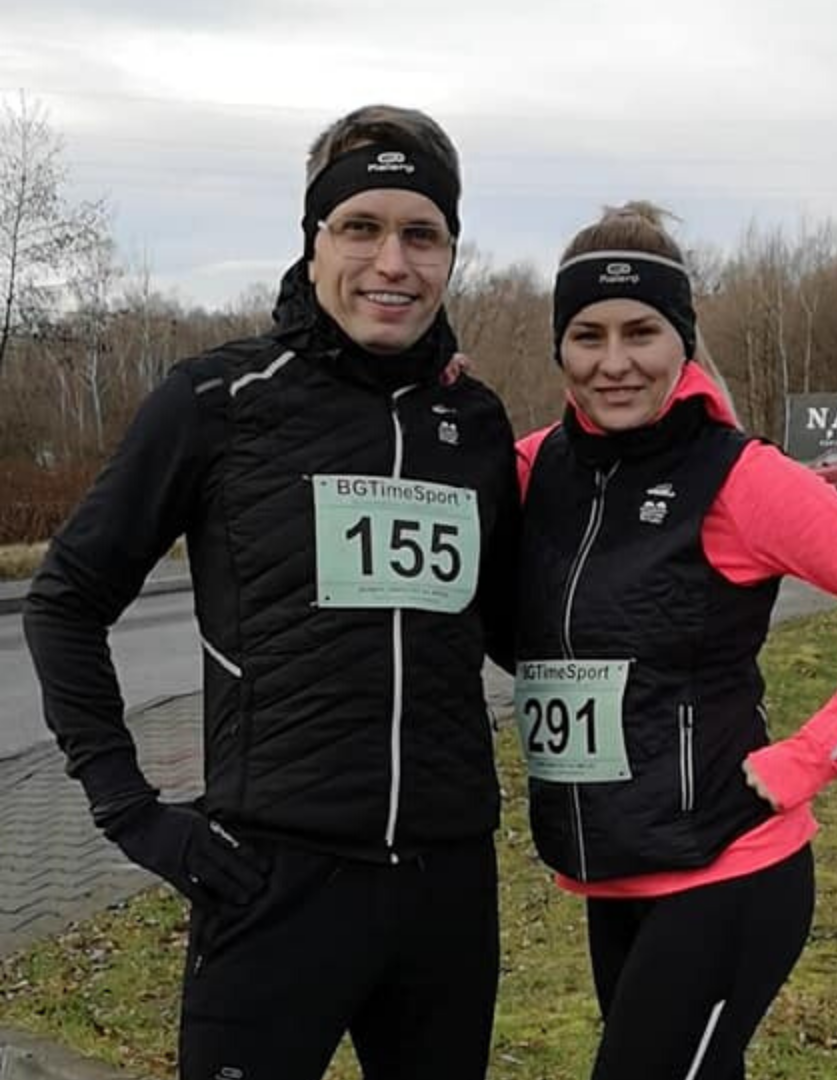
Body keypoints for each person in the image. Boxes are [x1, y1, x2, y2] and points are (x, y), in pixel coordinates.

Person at [23, 104, 519, 1080]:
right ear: (314, 238)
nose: (392, 262)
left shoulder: (475, 421)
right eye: (361, 227)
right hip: (271, 882)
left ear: (451, 252)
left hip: (447, 886)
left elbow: (515, 626)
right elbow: (65, 602)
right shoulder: (219, 400)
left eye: (422, 235)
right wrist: (131, 812)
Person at [513, 202, 837, 1080]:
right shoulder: (537, 469)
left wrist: (813, 755)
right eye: (587, 335)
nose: (614, 362)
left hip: (728, 870)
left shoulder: (738, 477)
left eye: (641, 332)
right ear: (559, 348)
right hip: (615, 869)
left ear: (682, 339)